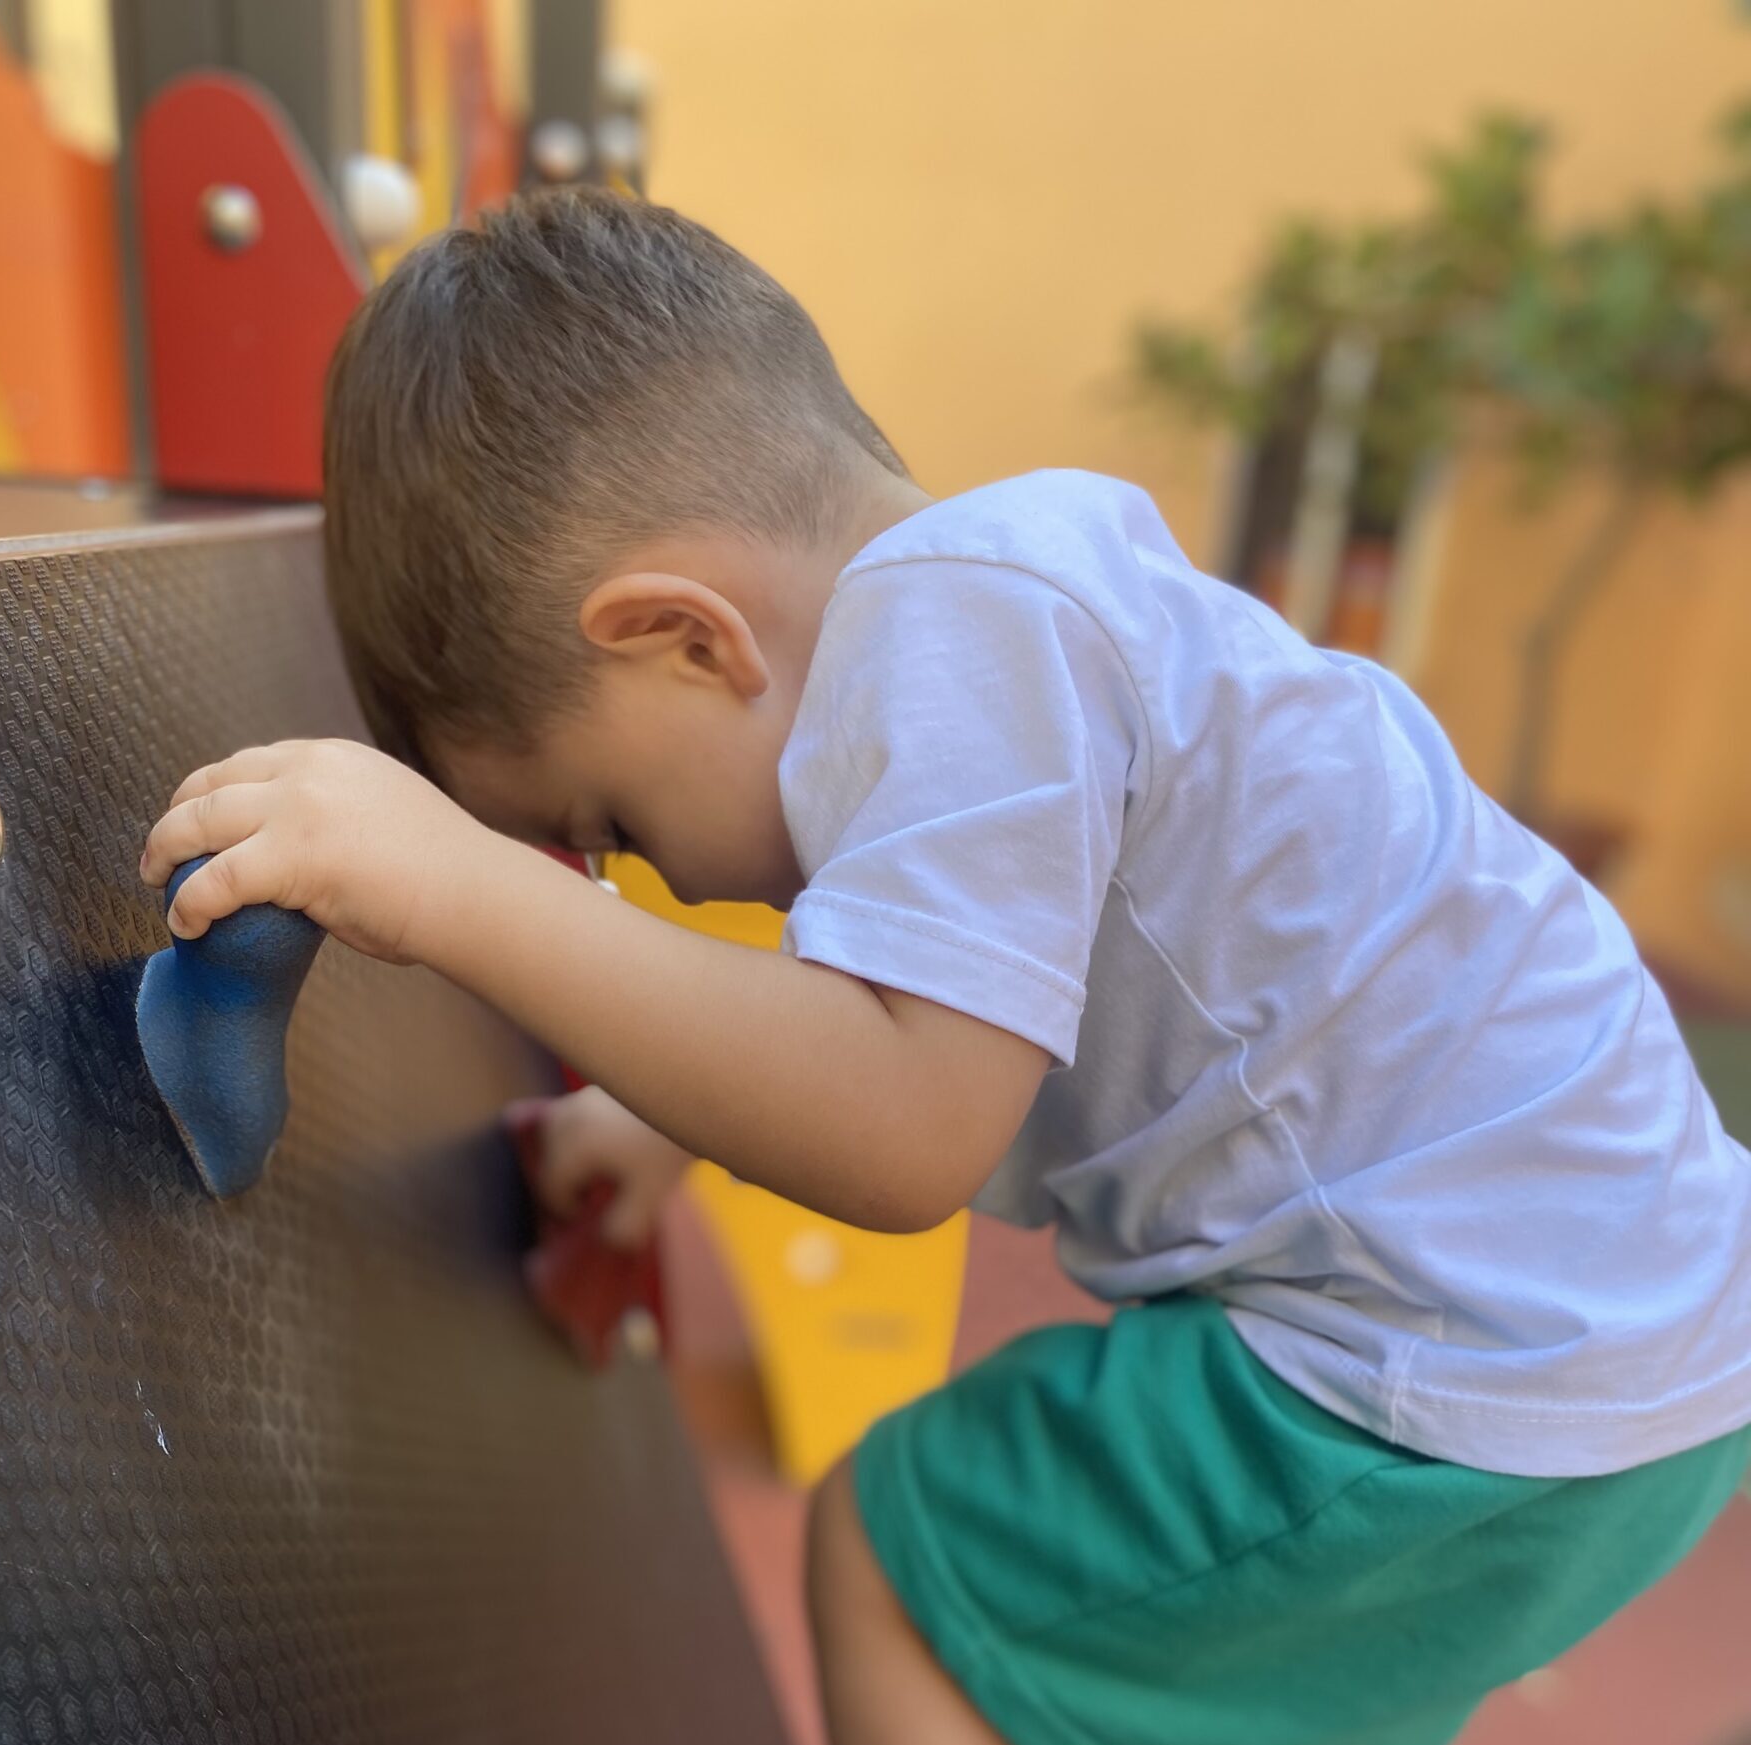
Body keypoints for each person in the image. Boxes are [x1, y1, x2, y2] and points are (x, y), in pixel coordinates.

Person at [141, 187, 1751, 1745]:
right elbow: (930, 969)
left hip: (1455, 1353)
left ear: (692, 638)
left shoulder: (969, 622)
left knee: (906, 1551)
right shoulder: (1015, 610)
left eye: (609, 820)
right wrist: (661, 1127)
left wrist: (460, 883)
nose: (649, 875)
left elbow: (901, 1122)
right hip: (1618, 1338)